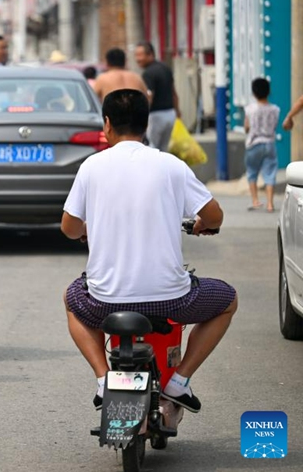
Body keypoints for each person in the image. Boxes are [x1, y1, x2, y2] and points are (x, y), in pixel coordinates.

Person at [61, 89, 238, 414]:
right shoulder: (171, 166)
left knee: (72, 300)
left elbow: (69, 228)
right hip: (172, 299)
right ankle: (179, 382)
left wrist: (88, 228)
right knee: (228, 300)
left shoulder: (91, 166)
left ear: (107, 125)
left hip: (103, 302)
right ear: (145, 125)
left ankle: (104, 380)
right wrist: (200, 224)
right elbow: (215, 216)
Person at [135, 42, 181, 151]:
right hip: (170, 114)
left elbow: (149, 97)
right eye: (136, 55)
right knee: (164, 149)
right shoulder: (165, 68)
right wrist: (177, 112)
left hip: (156, 116)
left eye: (140, 55)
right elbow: (173, 92)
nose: (137, 59)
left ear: (150, 54)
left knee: (151, 148)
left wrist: (143, 118)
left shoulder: (148, 73)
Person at [244, 78, 280, 212]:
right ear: (268, 92)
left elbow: (247, 127)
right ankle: (270, 203)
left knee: (252, 172)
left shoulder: (250, 109)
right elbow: (275, 126)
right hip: (269, 143)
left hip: (253, 143)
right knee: (270, 173)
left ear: (253, 92)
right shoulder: (275, 109)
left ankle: (255, 200)